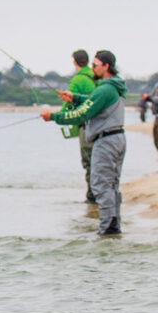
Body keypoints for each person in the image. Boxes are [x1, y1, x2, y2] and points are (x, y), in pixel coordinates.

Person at [41, 49, 127, 235]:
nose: (92, 68)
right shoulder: (112, 87)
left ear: (106, 66)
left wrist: (53, 116)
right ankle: (113, 226)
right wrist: (74, 97)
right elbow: (92, 101)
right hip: (116, 138)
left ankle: (107, 229)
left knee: (101, 185)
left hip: (106, 141)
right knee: (111, 185)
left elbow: (82, 113)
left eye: (95, 65)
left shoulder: (105, 88)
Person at [60, 49, 97, 203]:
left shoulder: (77, 81)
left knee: (89, 160)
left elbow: (69, 104)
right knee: (99, 159)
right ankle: (99, 192)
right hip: (102, 125)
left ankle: (92, 195)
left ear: (75, 62)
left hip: (87, 126)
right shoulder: (99, 76)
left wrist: (58, 117)